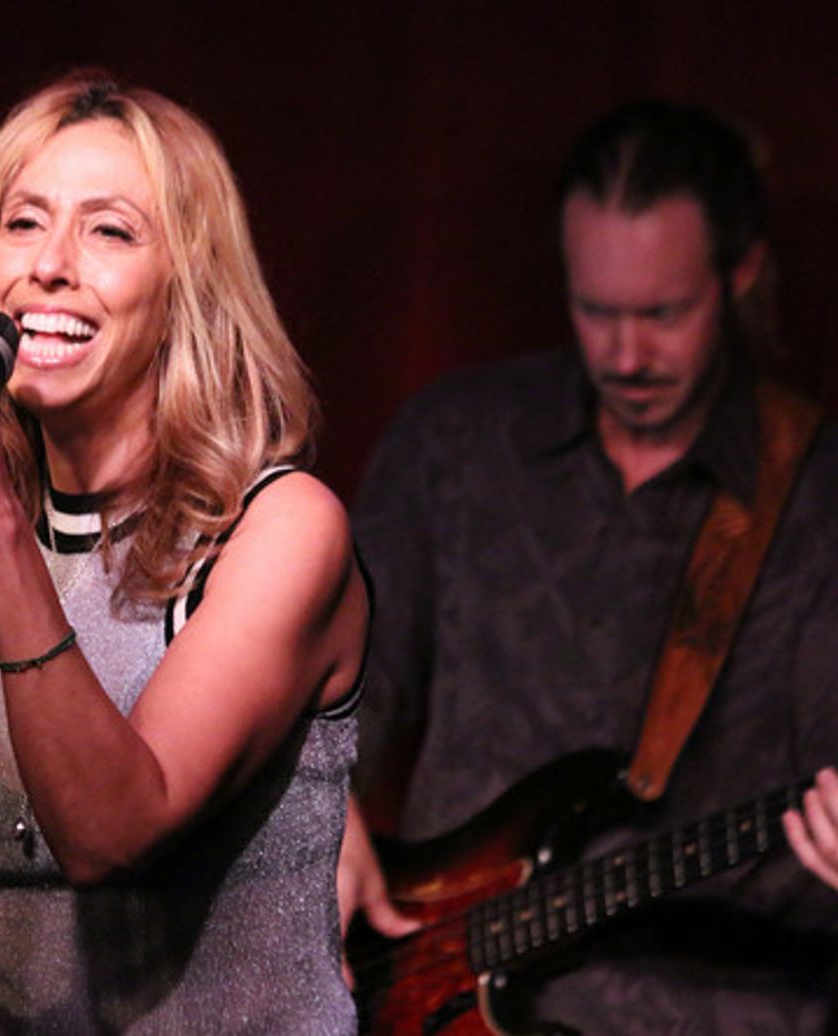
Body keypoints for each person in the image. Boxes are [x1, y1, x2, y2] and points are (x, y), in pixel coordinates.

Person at [0, 72, 369, 1034]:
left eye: (110, 231)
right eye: (23, 223)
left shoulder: (278, 531)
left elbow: (112, 833)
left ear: (188, 285)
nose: (50, 266)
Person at [346, 100, 838, 1033]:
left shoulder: (819, 499)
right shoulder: (457, 438)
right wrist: (317, 814)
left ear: (740, 274)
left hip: (713, 1011)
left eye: (663, 314)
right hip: (427, 997)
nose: (626, 354)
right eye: (596, 311)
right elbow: (349, 690)